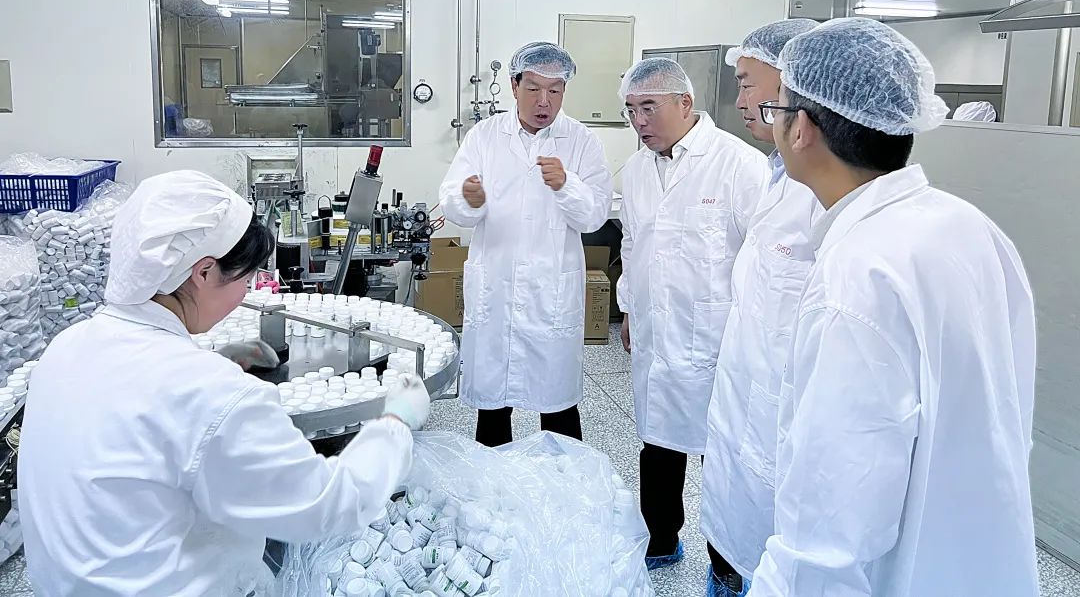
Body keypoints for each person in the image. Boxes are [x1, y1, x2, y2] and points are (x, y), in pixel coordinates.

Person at [19, 170, 431, 596]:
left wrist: (212, 363)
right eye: (245, 280)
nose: (246, 294)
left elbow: (133, 415)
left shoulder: (65, 348)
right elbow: (330, 506)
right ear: (203, 271)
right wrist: (395, 425)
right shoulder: (211, 395)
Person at [748, 18, 1038, 596]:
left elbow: (830, 527)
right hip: (979, 555)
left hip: (904, 573)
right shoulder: (966, 225)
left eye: (777, 109)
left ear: (801, 129)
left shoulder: (858, 276)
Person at [616, 57, 768, 570]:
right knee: (657, 442)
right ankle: (661, 538)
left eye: (649, 108)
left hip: (716, 340)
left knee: (721, 456)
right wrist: (628, 309)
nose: (639, 121)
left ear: (685, 104)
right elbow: (633, 245)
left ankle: (728, 565)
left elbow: (763, 258)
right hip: (657, 332)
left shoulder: (738, 164)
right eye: (631, 110)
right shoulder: (637, 169)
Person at [439, 42, 612, 447]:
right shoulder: (485, 136)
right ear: (514, 86)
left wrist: (567, 185)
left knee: (558, 408)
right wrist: (469, 199)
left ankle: (564, 479)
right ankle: (494, 482)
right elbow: (452, 198)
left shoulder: (581, 140)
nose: (543, 101)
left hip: (551, 293)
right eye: (533, 88)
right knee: (493, 406)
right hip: (496, 290)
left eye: (555, 90)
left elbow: (594, 215)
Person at [699, 19, 820, 597]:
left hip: (784, 410)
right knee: (737, 510)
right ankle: (728, 573)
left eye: (748, 83)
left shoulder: (822, 195)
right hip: (746, 390)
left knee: (776, 539)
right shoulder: (777, 173)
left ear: (793, 81)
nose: (741, 100)